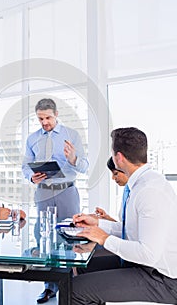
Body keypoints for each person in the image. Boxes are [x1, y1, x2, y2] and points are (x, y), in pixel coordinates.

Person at [72, 127, 177, 305]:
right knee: (82, 268)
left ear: (118, 157)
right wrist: (97, 223)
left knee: (74, 290)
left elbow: (149, 254)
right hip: (145, 266)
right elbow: (130, 229)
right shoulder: (142, 183)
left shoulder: (149, 191)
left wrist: (104, 239)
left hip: (161, 279)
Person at [22, 98, 88, 303]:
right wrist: (31, 177)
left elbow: (84, 166)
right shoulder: (33, 139)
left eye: (48, 117)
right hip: (43, 193)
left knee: (71, 237)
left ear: (56, 114)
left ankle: (70, 286)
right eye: (40, 118)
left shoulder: (72, 135)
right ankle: (49, 288)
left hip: (67, 192)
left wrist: (73, 159)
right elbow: (25, 165)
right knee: (44, 238)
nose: (44, 122)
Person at [94, 156, 128, 222]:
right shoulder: (127, 191)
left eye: (115, 173)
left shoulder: (138, 192)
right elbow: (124, 227)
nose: (113, 178)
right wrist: (107, 218)